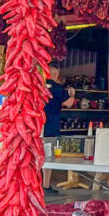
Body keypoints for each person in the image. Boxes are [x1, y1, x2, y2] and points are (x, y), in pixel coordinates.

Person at [42, 63, 71, 196]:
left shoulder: (38, 86)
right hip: (51, 127)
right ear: (56, 74)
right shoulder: (59, 89)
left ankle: (33, 185)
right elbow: (69, 103)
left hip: (35, 126)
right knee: (48, 157)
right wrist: (72, 94)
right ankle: (45, 185)